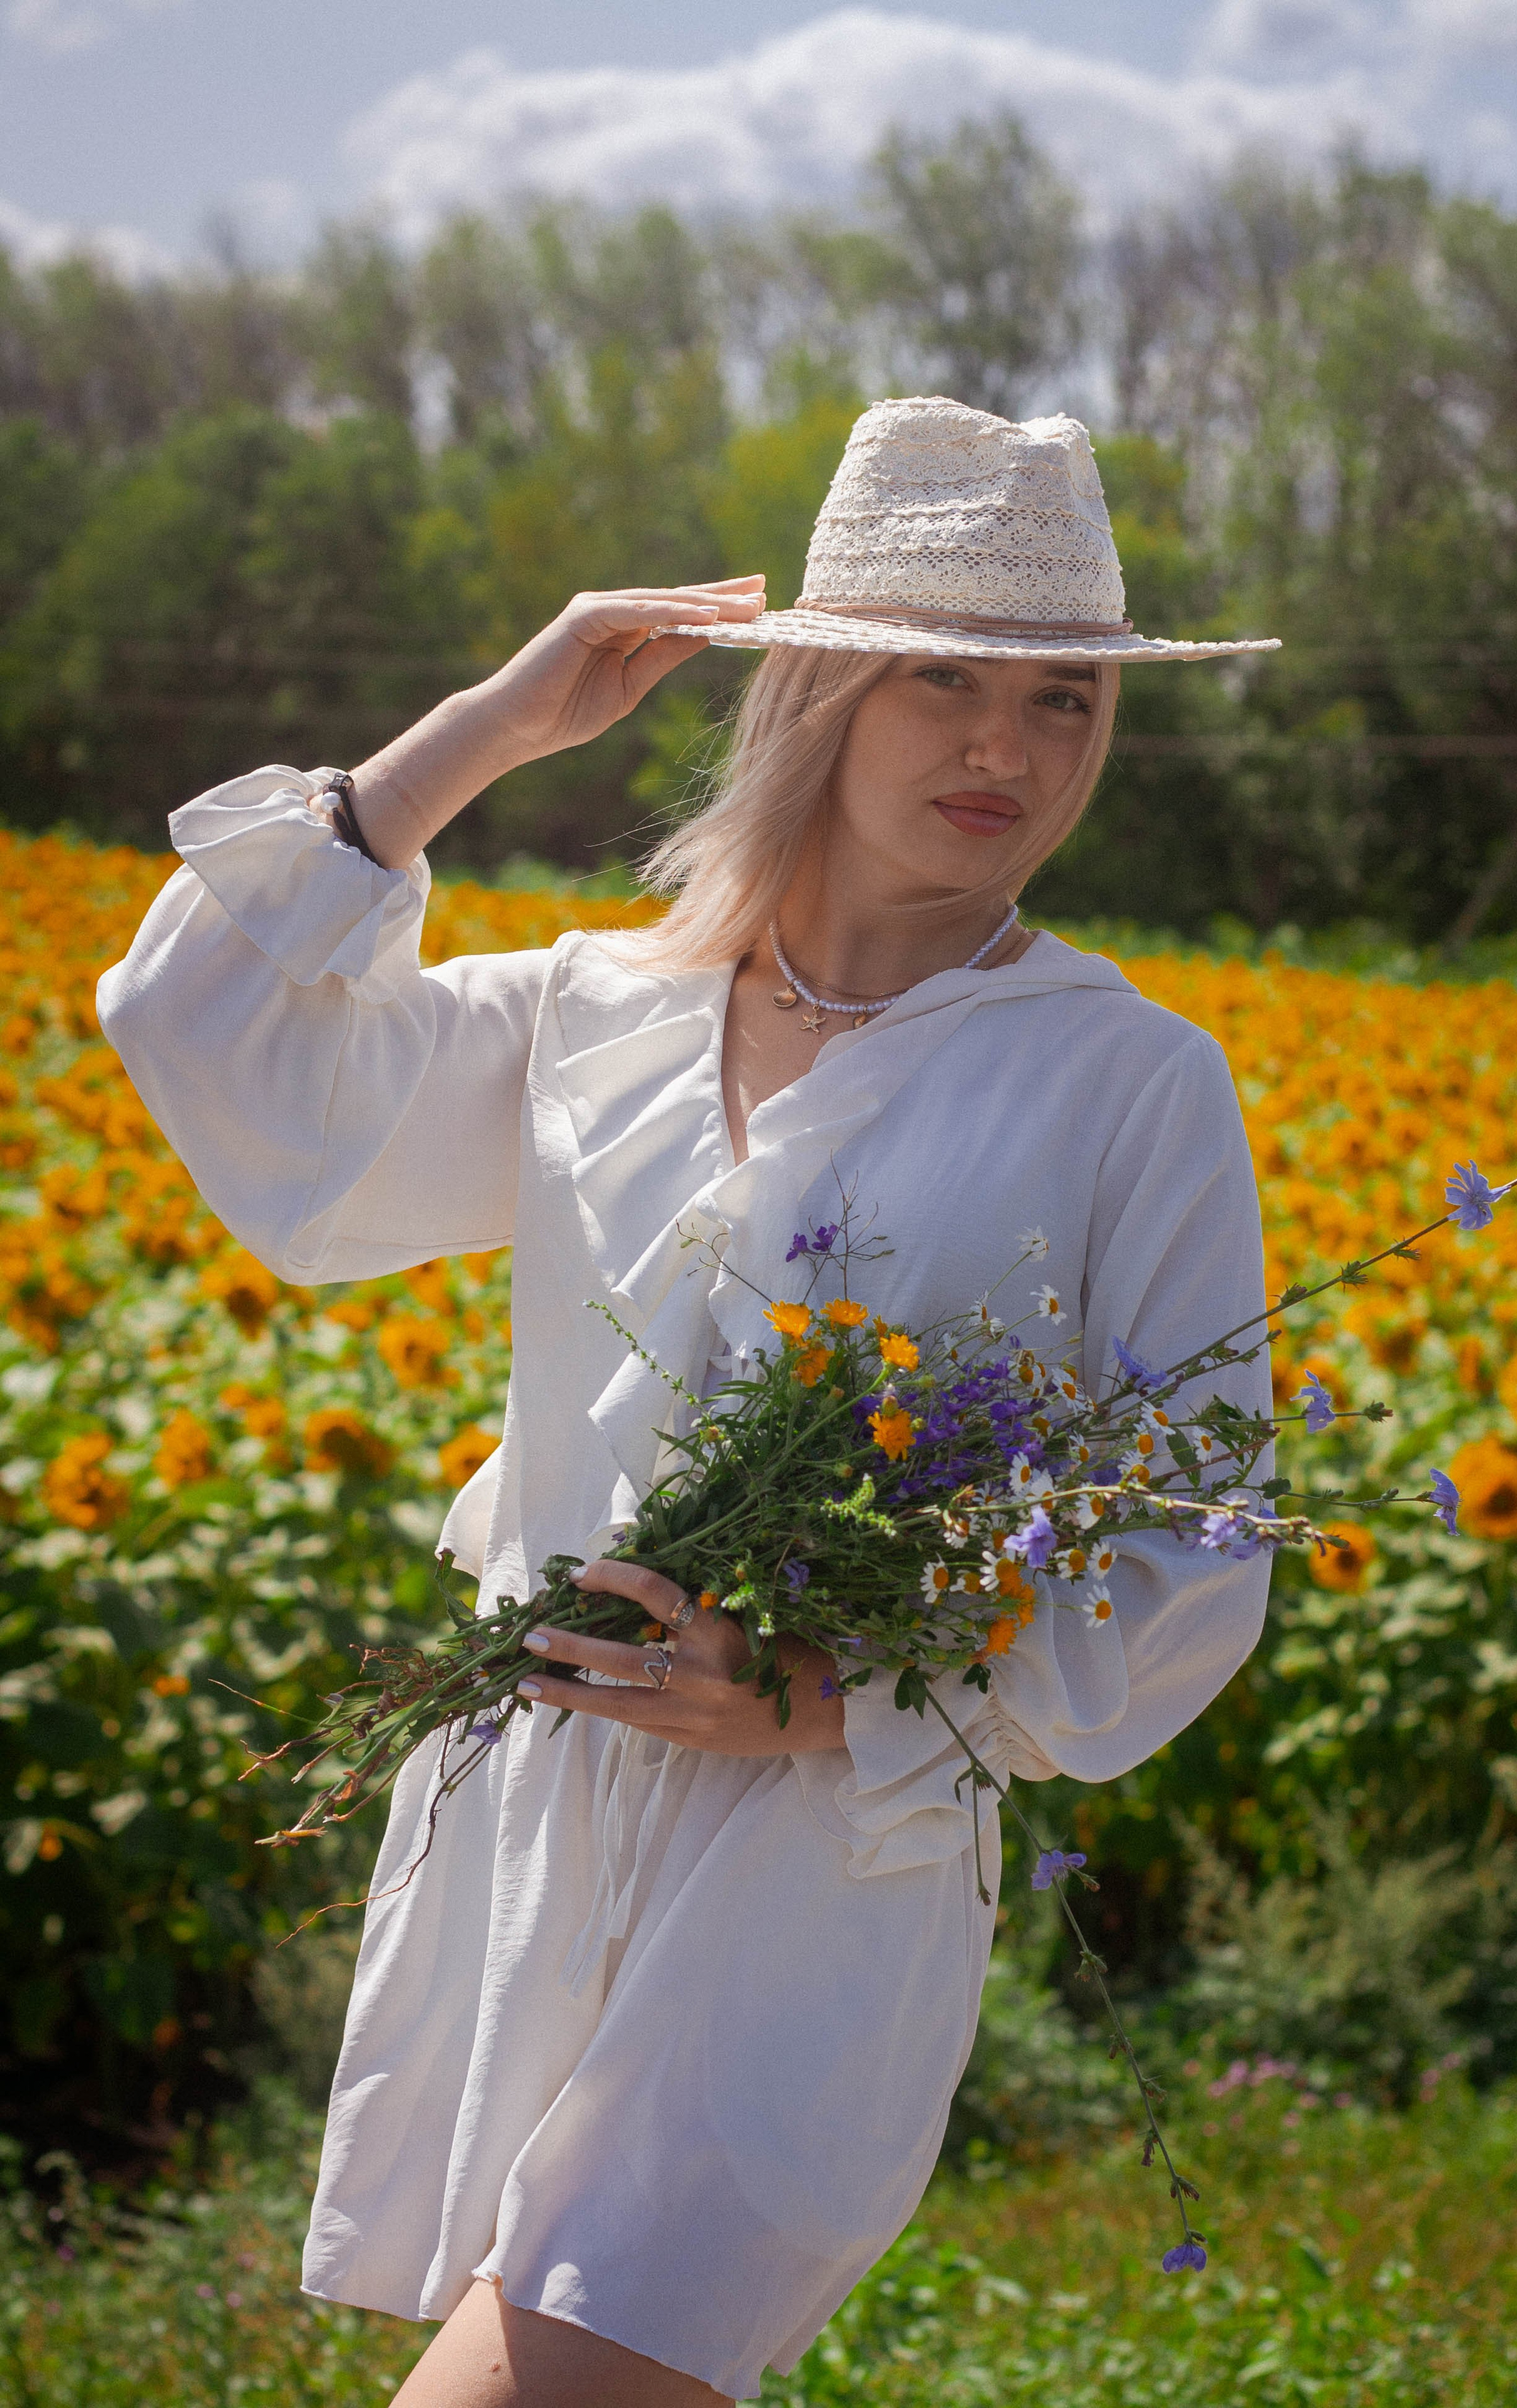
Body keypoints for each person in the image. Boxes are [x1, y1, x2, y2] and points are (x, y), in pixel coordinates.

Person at [99, 396, 1281, 2407]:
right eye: (943, 677)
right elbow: (219, 1041)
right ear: (817, 688)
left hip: (817, 1881)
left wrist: (826, 1699)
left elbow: (1196, 1543)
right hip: (529, 1854)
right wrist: (487, 729)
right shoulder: (595, 1015)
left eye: (1064, 700)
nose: (1007, 749)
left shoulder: (1124, 1080)